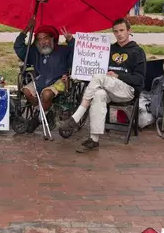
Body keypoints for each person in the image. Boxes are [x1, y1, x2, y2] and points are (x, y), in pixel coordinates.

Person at [58, 18, 146, 153]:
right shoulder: (110, 49)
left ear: (129, 31)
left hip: (128, 90)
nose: (119, 34)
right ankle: (94, 139)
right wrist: (71, 40)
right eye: (115, 31)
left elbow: (139, 80)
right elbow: (88, 52)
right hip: (109, 89)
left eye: (122, 30)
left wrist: (118, 76)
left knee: (99, 77)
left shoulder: (137, 52)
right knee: (98, 94)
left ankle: (77, 116)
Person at [14, 22, 74, 132]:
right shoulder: (34, 51)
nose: (42, 42)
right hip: (40, 79)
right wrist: (25, 31)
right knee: (26, 91)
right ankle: (45, 112)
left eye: (45, 38)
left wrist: (71, 41)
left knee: (46, 94)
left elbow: (76, 55)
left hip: (59, 81)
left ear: (52, 38)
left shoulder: (63, 50)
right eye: (39, 39)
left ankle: (37, 117)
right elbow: (19, 47)